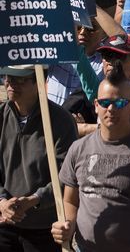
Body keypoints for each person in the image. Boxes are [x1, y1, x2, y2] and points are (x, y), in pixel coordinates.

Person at [52, 69, 130, 252]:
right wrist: (67, 225)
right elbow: (70, 201)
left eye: (119, 103)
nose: (111, 109)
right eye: (105, 103)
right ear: (96, 105)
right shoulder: (78, 148)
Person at [0, 65, 77, 252]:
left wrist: (34, 199)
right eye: (8, 78)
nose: (11, 85)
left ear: (39, 82)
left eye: (20, 80)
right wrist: (2, 202)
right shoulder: (1, 115)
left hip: (44, 228)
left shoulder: (61, 121)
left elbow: (66, 176)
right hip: (4, 223)